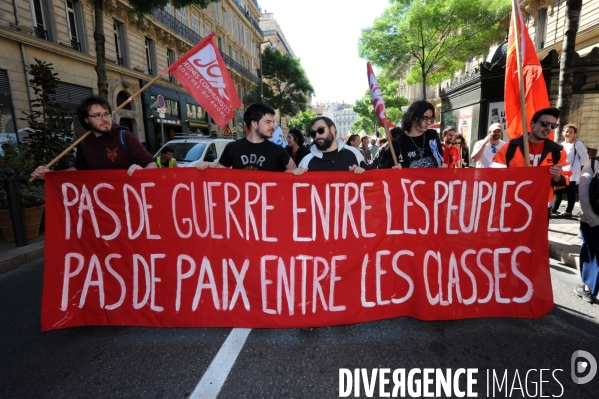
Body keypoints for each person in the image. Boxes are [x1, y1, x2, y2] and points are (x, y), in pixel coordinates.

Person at [31, 95, 156, 179]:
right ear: (86, 119)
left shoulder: (126, 137)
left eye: (106, 114)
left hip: (130, 202)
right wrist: (51, 175)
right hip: (101, 205)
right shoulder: (84, 143)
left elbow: (152, 165)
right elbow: (79, 169)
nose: (105, 119)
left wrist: (142, 172)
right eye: (97, 115)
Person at [492, 107, 570, 209]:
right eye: (545, 123)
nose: (548, 128)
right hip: (511, 204)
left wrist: (557, 177)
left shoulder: (558, 151)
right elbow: (494, 174)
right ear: (532, 124)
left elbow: (565, 179)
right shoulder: (510, 146)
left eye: (553, 125)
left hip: (541, 206)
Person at [196, 103, 296, 172]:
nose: (273, 126)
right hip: (239, 201)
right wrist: (207, 169)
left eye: (273, 122)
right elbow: (218, 174)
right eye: (268, 122)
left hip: (266, 202)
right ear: (254, 124)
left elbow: (292, 168)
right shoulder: (233, 147)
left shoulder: (277, 150)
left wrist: (278, 184)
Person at [380, 101, 446, 169]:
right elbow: (385, 170)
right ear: (413, 118)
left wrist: (442, 167)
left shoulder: (433, 135)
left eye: (430, 118)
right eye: (425, 118)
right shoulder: (397, 144)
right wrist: (393, 170)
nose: (429, 122)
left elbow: (440, 160)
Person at [293, 117, 367, 175]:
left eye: (320, 130)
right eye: (313, 133)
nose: (317, 136)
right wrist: (297, 174)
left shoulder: (354, 153)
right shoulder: (306, 161)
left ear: (332, 130)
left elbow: (371, 181)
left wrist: (362, 172)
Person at [551, 124, 589, 217]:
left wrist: (576, 164)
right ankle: (554, 210)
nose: (568, 133)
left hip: (572, 171)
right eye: (566, 131)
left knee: (570, 191)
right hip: (562, 170)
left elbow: (585, 157)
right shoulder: (562, 144)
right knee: (558, 190)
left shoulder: (577, 143)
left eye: (570, 132)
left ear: (574, 133)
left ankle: (568, 211)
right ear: (563, 132)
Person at [575, 157, 599, 303]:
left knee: (593, 255)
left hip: (593, 221)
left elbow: (583, 194)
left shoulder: (593, 163)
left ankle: (588, 289)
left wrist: (592, 219)